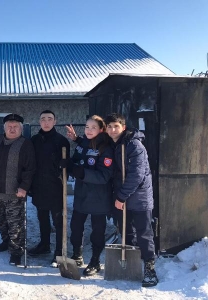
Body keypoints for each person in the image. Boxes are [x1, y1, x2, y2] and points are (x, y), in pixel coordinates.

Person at [105, 113, 158, 287]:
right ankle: (130, 263)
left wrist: (121, 196)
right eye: (109, 126)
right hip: (123, 197)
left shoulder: (134, 145)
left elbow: (137, 175)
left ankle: (149, 266)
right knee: (126, 231)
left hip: (139, 197)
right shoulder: (113, 145)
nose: (113, 129)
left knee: (144, 233)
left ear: (123, 127)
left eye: (116, 126)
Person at [0, 114, 36, 266]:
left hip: (14, 192)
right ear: (4, 128)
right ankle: (6, 242)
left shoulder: (25, 144)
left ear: (21, 128)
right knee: (1, 220)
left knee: (15, 224)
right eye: (9, 127)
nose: (12, 129)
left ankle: (17, 252)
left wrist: (24, 187)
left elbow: (30, 169)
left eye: (15, 127)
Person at [67, 115, 114, 276]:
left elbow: (104, 176)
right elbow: (76, 161)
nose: (89, 130)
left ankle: (95, 261)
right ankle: (77, 254)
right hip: (82, 194)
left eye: (93, 127)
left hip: (99, 197)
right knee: (76, 227)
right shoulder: (83, 144)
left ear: (101, 129)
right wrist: (68, 165)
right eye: (87, 127)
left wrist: (81, 172)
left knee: (97, 231)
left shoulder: (105, 148)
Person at [29, 110, 71, 267]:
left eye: (49, 119)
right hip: (39, 185)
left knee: (58, 220)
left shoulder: (61, 141)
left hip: (55, 186)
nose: (46, 122)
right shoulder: (34, 140)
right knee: (42, 217)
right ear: (39, 122)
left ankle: (59, 251)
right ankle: (44, 245)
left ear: (55, 121)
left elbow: (67, 165)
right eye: (43, 119)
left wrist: (64, 166)